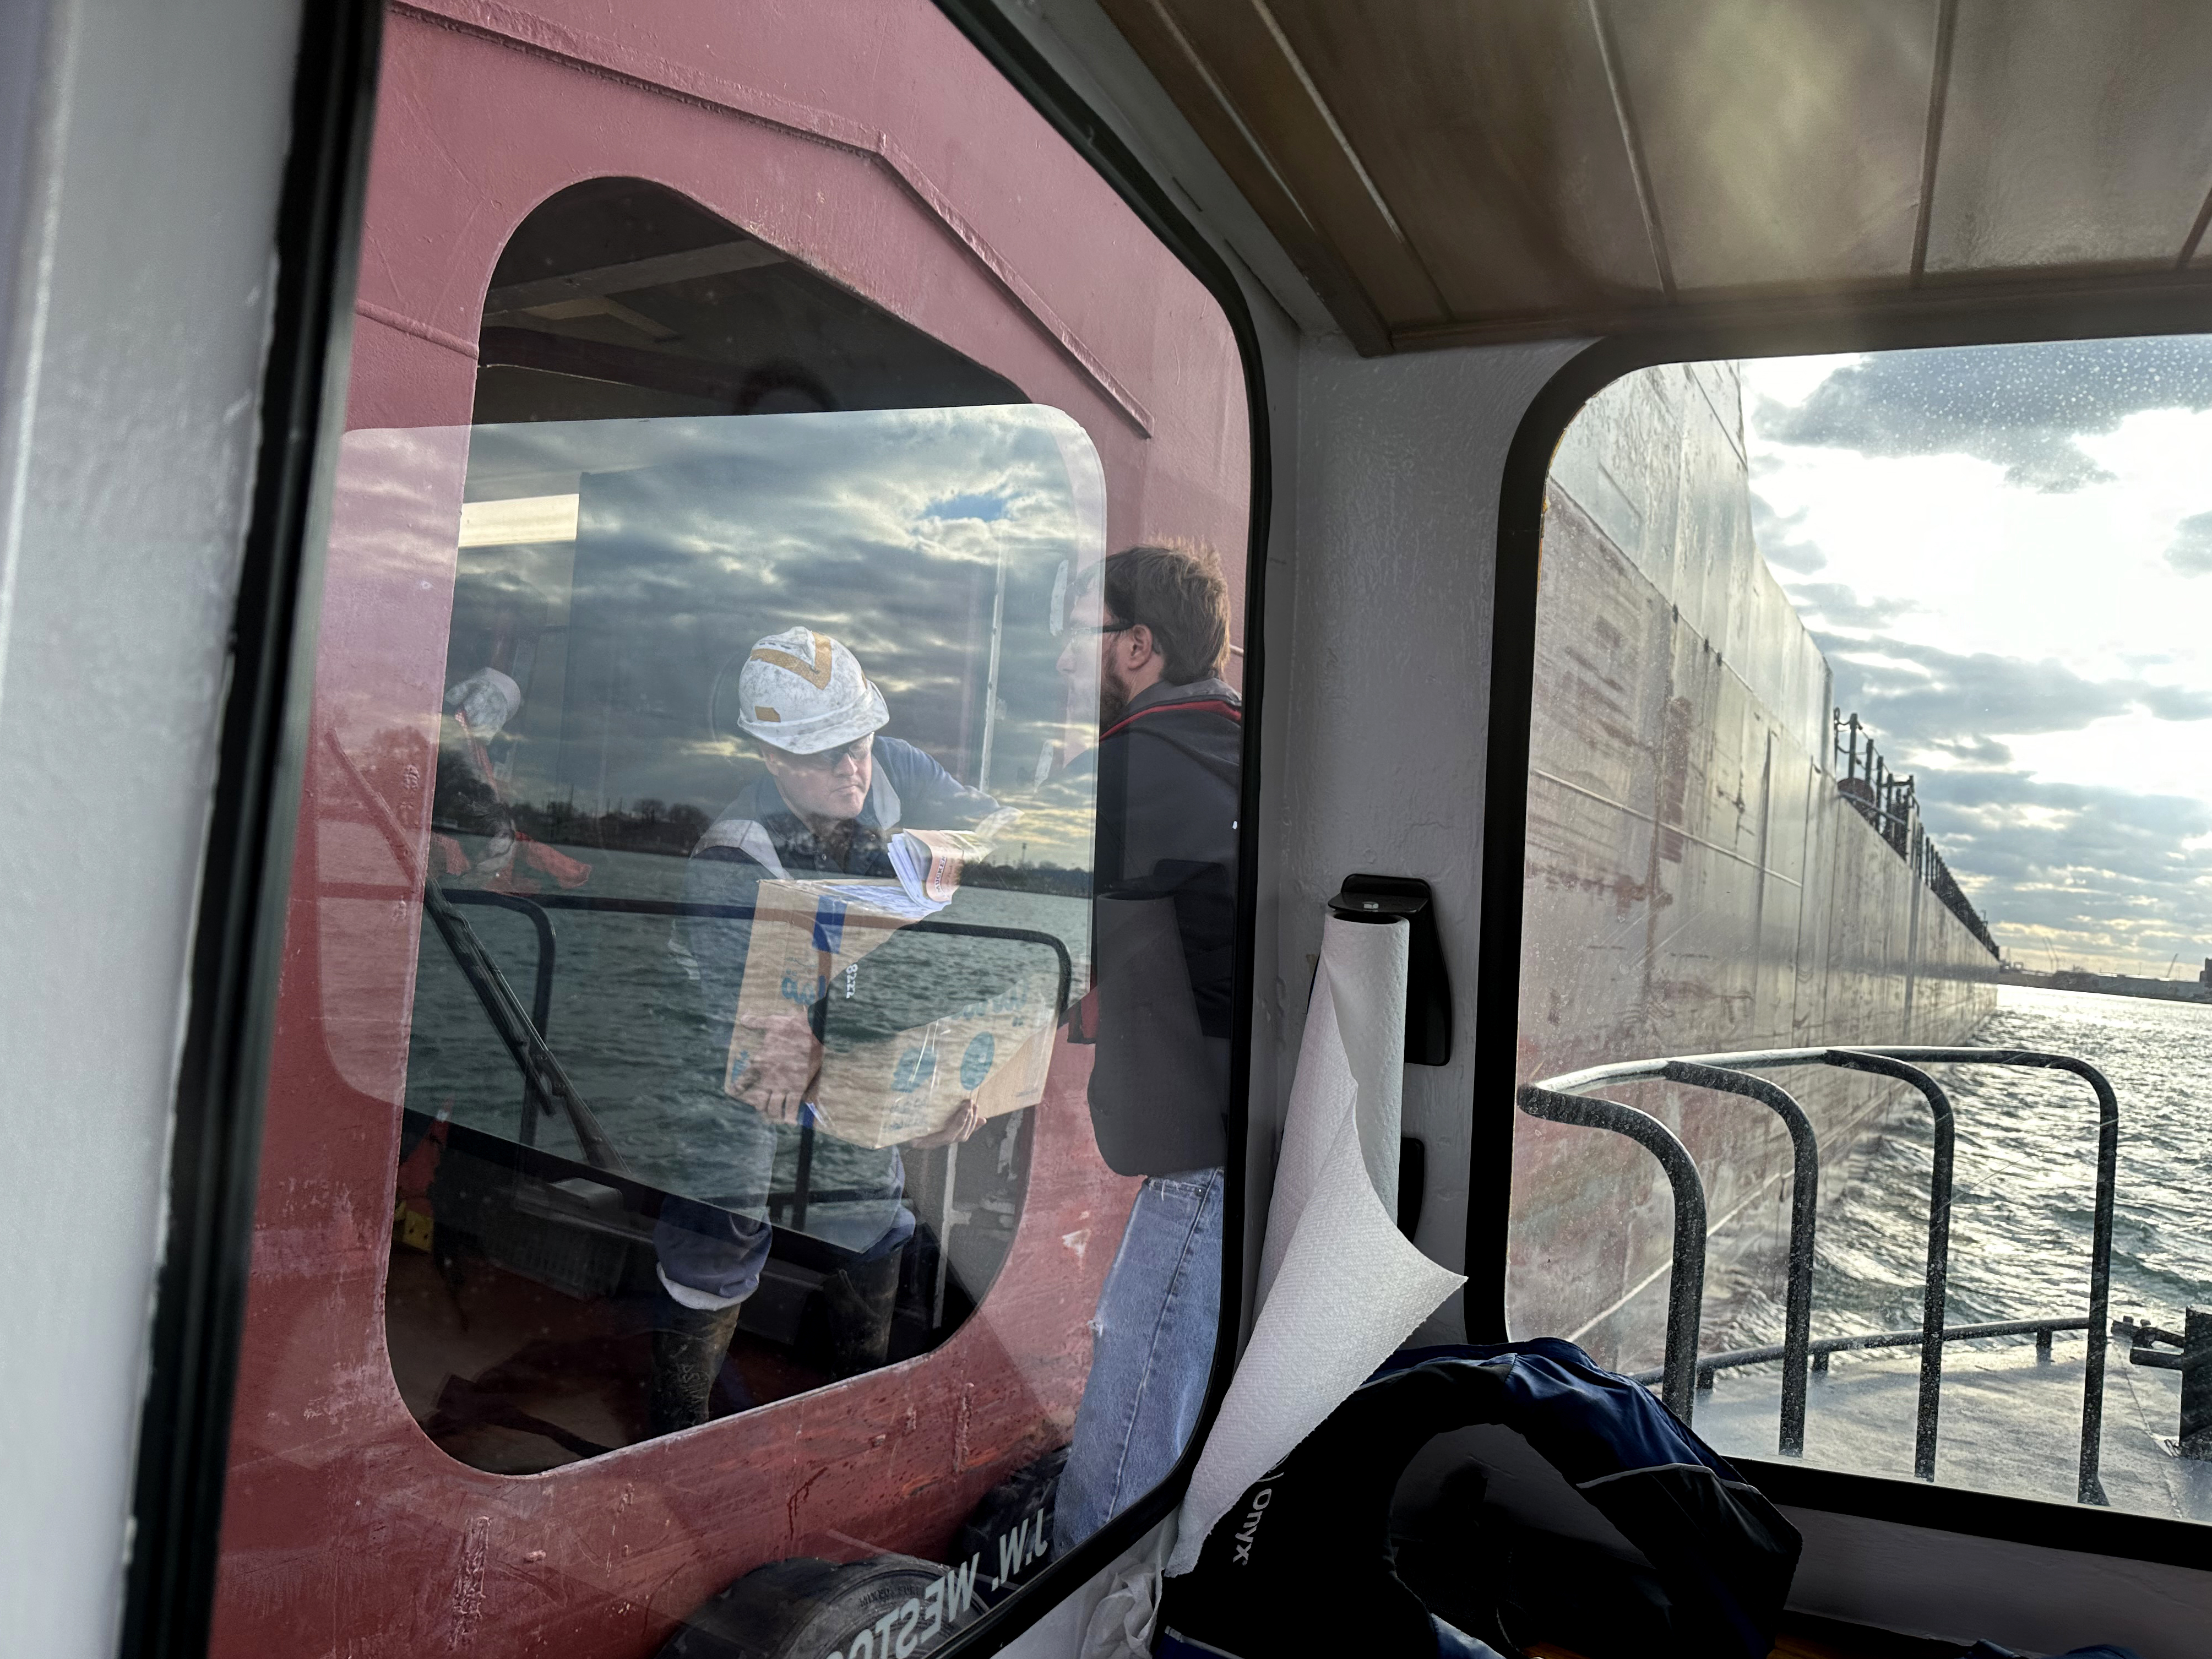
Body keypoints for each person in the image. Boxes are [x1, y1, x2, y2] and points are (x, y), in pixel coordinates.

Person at [648, 625, 1002, 1433]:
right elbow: (750, 1041)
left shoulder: (897, 769)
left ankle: (858, 1401)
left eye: (860, 740)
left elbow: (1000, 834)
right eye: (825, 750)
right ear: (772, 757)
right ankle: (673, 1421)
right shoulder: (732, 860)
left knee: (871, 1202)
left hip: (857, 1013)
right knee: (724, 1205)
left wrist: (950, 1079)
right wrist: (791, 1040)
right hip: (744, 1041)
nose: (852, 764)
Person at [1050, 542, 1242, 1554]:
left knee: (1141, 1359)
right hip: (1264, 1113)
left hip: (1197, 1143)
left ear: (1136, 645)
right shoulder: (1247, 740)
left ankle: (1089, 1596)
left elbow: (1020, 898)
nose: (1060, 660)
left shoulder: (1132, 766)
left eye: (1077, 636)